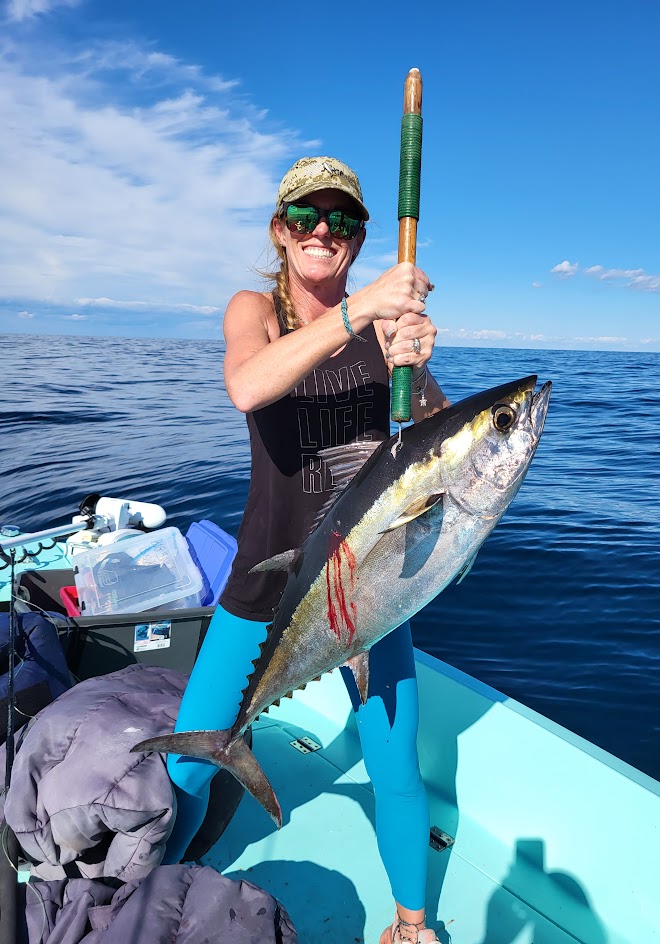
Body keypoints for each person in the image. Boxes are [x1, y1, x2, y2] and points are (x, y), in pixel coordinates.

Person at [165, 156, 450, 944]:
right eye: (306, 216)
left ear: (360, 239)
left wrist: (419, 368)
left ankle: (411, 925)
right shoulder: (256, 310)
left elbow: (437, 447)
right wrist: (360, 312)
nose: (324, 232)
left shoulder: (383, 328)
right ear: (280, 228)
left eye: (344, 221)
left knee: (396, 768)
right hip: (267, 583)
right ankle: (156, 889)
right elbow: (248, 387)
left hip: (367, 588)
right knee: (194, 757)